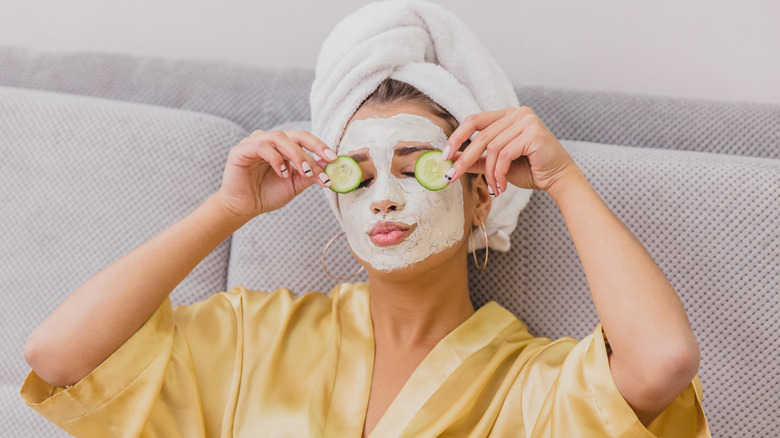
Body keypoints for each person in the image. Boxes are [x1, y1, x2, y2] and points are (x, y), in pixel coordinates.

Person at [21, 1, 709, 437]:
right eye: (358, 173)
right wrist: (225, 209)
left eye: (417, 166)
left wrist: (564, 180)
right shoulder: (253, 335)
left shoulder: (531, 387)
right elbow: (57, 356)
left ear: (480, 195)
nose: (383, 196)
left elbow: (662, 361)